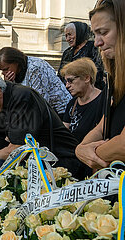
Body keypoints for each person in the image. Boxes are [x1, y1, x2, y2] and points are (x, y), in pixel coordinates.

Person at [0, 69, 90, 180]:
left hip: (61, 158)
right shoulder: (4, 98)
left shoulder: (22, 97)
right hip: (40, 157)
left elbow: (17, 150)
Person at [75, 0, 125, 171]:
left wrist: (92, 153)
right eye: (94, 35)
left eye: (103, 32)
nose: (97, 43)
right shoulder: (116, 79)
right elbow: (104, 124)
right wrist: (80, 149)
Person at [0, 47, 72, 118]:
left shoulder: (35, 68)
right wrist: (9, 85)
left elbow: (40, 101)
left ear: (16, 62)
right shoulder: (14, 75)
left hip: (60, 112)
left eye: (6, 69)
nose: (4, 73)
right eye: (2, 70)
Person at [61, 58, 104, 142]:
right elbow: (64, 132)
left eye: (70, 81)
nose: (67, 86)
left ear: (86, 78)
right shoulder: (72, 103)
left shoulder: (104, 101)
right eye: (66, 81)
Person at [58, 21, 105, 90]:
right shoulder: (67, 52)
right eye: (66, 36)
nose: (68, 39)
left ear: (79, 32)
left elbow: (97, 72)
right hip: (68, 92)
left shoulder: (93, 47)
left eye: (70, 34)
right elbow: (60, 75)